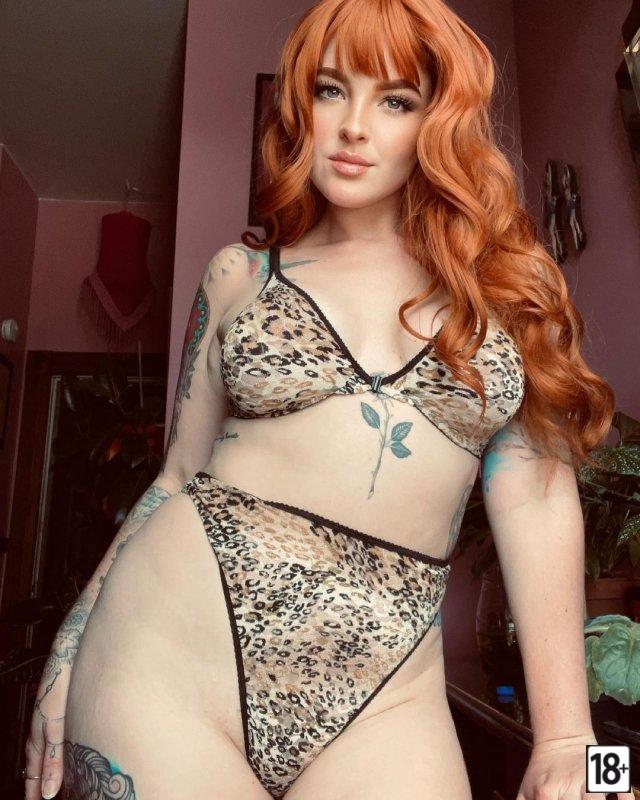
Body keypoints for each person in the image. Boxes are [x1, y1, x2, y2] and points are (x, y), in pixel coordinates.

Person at [23, 0, 626, 798]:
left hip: (386, 698)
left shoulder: (508, 300)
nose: (353, 126)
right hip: (167, 657)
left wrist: (570, 738)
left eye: (395, 100)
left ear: (438, 121)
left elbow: (538, 497)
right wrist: (66, 657)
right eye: (331, 90)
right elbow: (175, 477)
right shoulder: (239, 277)